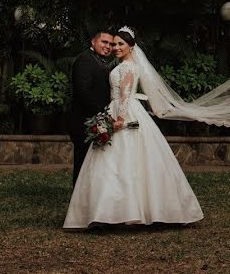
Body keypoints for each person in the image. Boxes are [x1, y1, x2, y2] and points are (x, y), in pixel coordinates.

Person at [63, 26, 204, 227]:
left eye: (120, 44)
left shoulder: (128, 67)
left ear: (131, 47)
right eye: (113, 44)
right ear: (93, 42)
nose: (115, 47)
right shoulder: (108, 63)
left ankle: (125, 211)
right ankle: (110, 210)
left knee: (127, 163)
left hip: (124, 112)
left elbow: (126, 94)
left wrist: (119, 119)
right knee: (115, 164)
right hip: (113, 111)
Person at [68, 29, 114, 187]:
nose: (108, 46)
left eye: (111, 43)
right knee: (82, 164)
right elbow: (83, 92)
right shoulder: (85, 60)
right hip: (84, 122)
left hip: (94, 120)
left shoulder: (98, 60)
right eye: (104, 42)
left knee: (92, 165)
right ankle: (78, 200)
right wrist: (102, 115)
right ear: (93, 42)